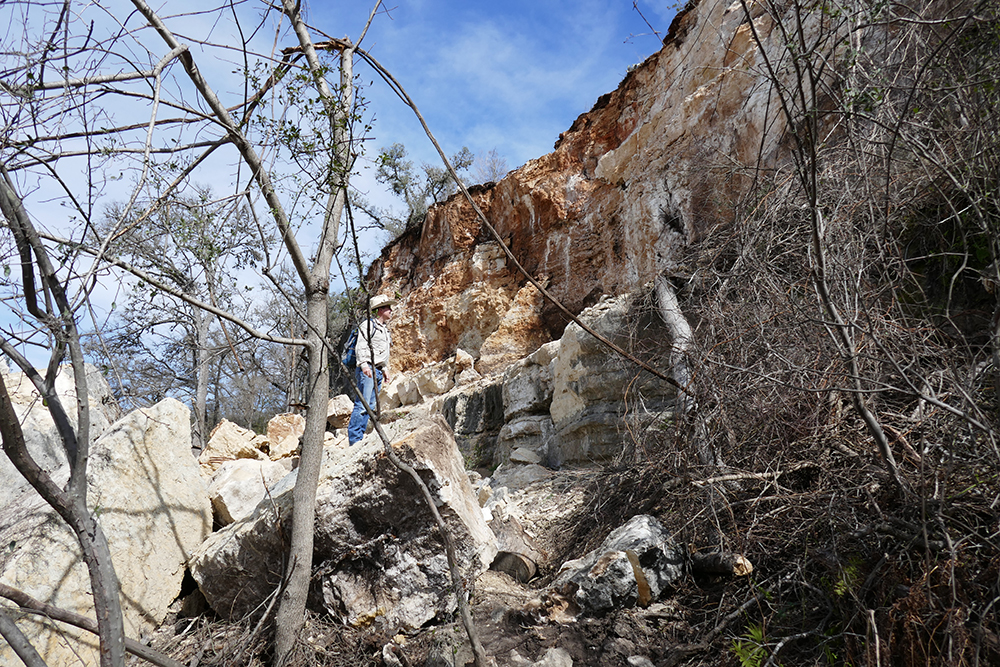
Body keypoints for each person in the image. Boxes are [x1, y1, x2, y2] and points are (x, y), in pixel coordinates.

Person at [347, 294, 395, 445]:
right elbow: (361, 345)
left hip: (378, 371)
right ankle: (354, 440)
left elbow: (383, 352)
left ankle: (359, 438)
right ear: (380, 310)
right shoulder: (368, 325)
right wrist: (364, 365)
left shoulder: (385, 330)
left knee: (370, 406)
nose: (391, 310)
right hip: (368, 370)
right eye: (388, 308)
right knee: (362, 405)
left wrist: (385, 369)